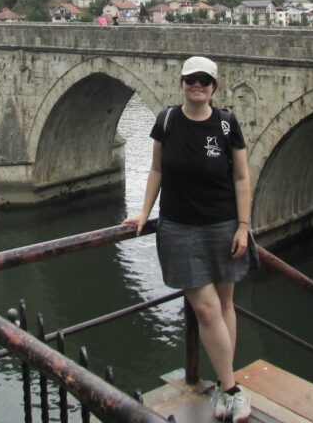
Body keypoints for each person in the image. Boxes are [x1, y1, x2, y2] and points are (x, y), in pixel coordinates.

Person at [124, 56, 253, 422]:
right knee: (208, 308)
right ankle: (231, 390)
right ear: (181, 82)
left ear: (214, 87)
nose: (197, 85)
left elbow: (242, 178)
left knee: (225, 304)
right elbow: (156, 169)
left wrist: (243, 226)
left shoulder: (227, 124)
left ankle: (223, 381)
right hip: (179, 228)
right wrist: (145, 212)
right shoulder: (166, 121)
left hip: (223, 225)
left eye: (204, 80)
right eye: (190, 79)